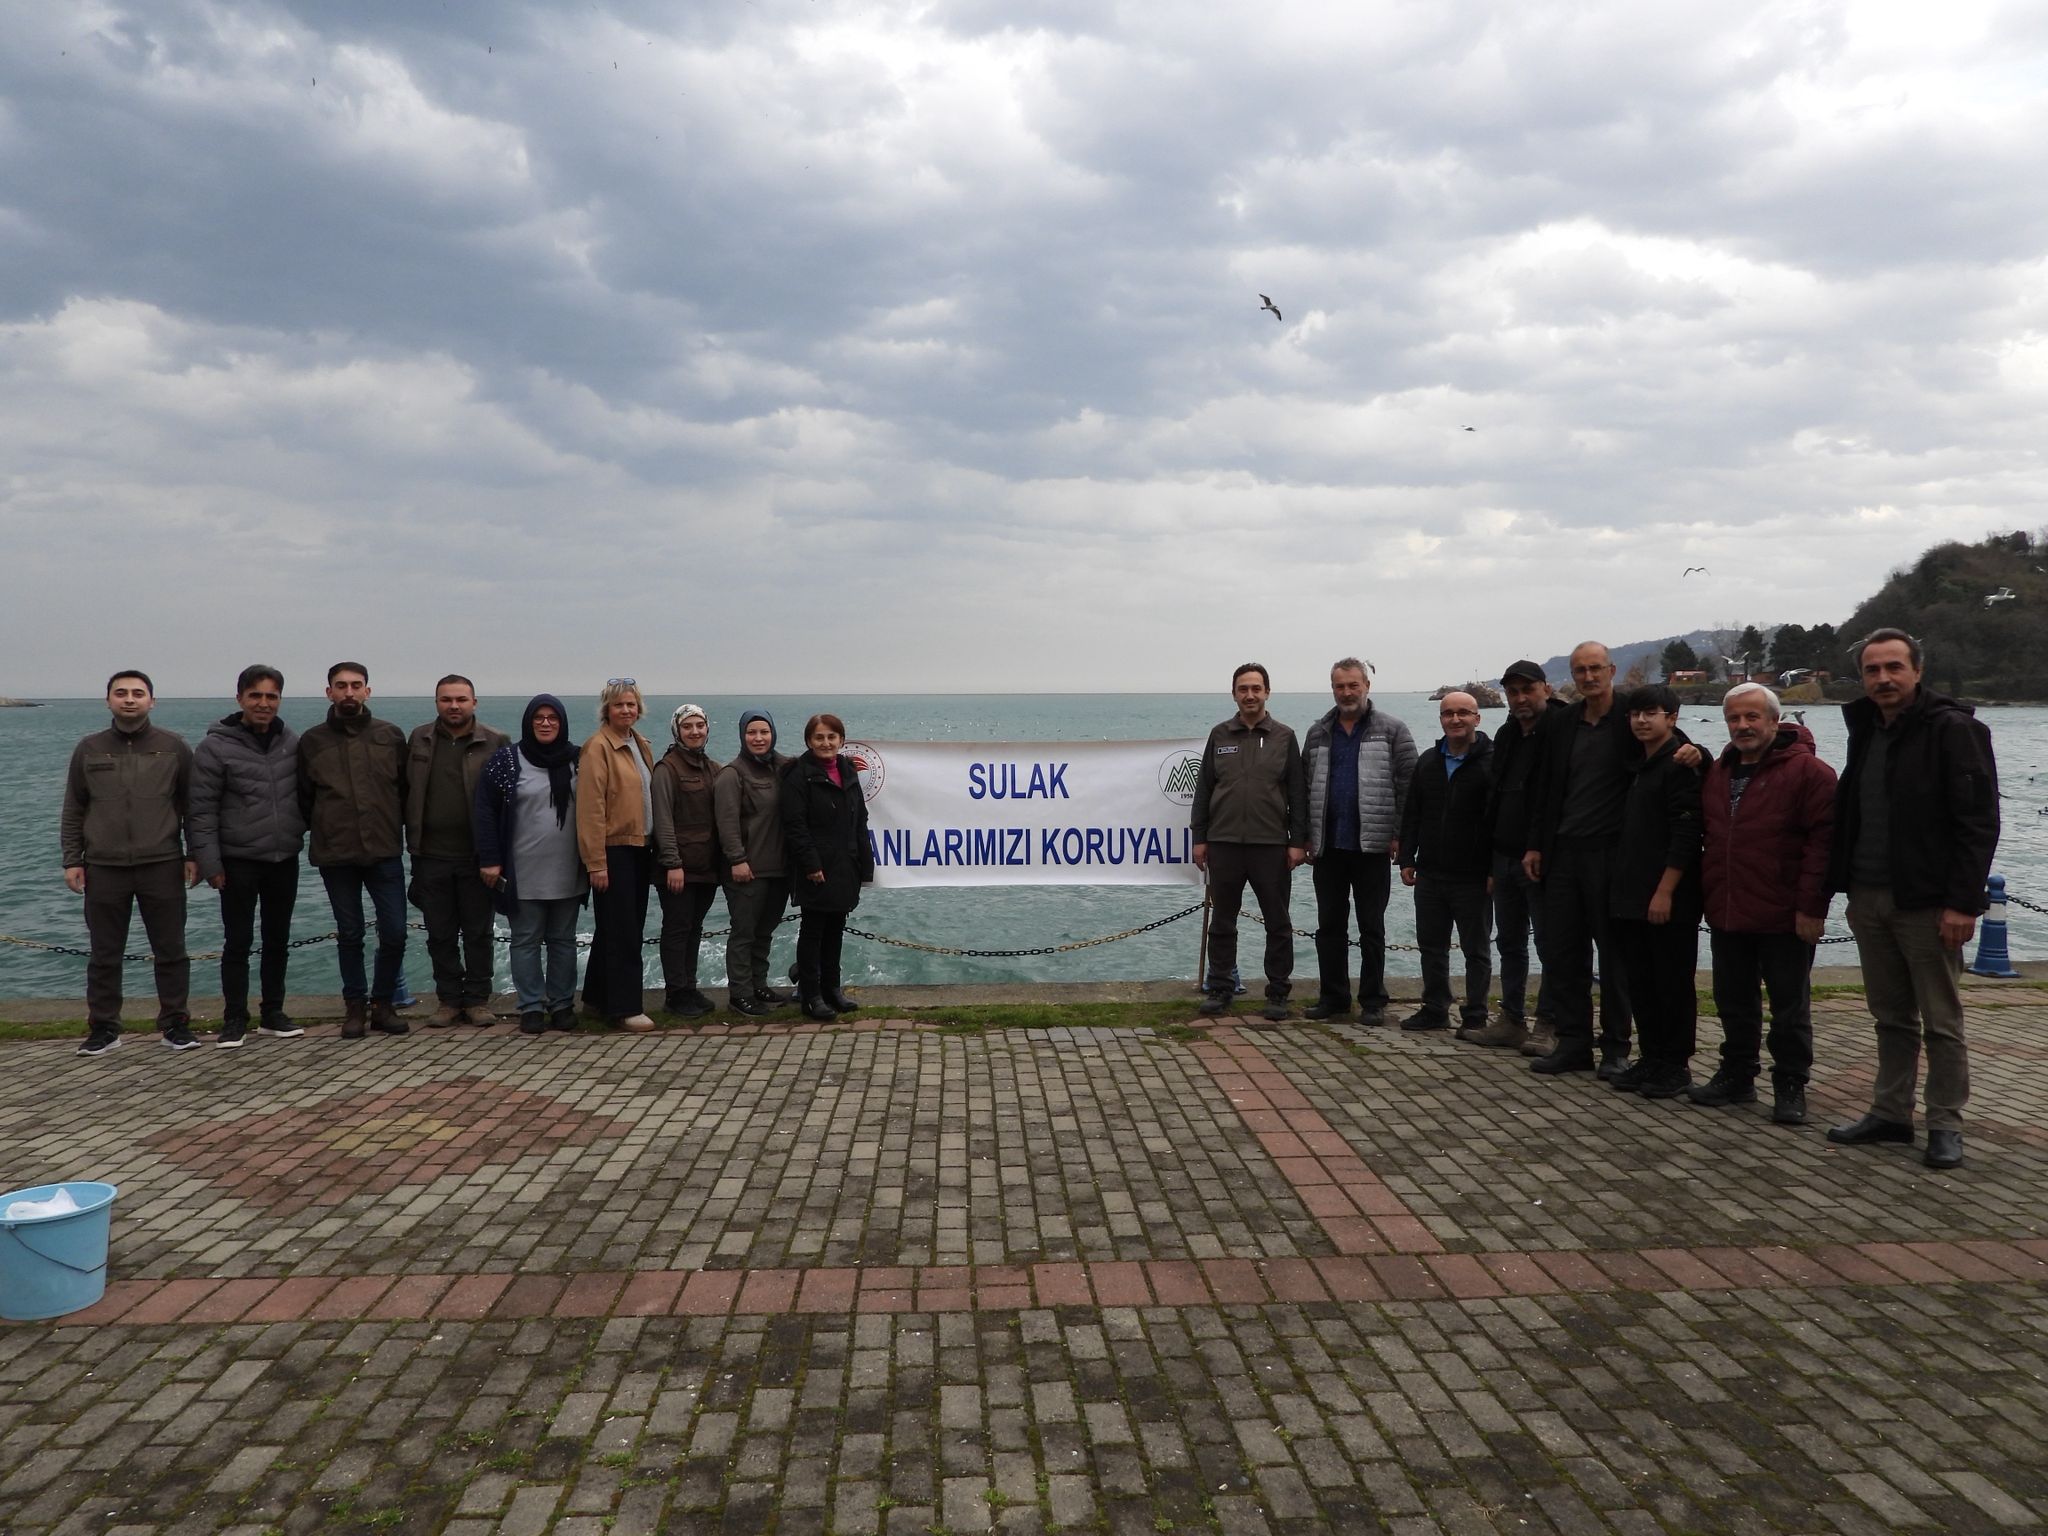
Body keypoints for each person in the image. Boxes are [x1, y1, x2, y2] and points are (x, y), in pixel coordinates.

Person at [1825, 629, 1999, 1170]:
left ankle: (1945, 1123)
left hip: (1927, 903)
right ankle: (1891, 1113)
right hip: (1869, 895)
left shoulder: (1955, 731)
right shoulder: (1866, 729)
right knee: (1890, 1016)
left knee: (1941, 1021)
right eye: (1873, 670)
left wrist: (1963, 903)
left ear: (1917, 671)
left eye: (1894, 667)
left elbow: (1977, 823)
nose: (1883, 678)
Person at [1692, 683, 1835, 1126]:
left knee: (1790, 1006)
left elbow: (1824, 845)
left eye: (1753, 717)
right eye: (1734, 718)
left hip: (1784, 911)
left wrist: (1812, 907)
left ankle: (1791, 1083)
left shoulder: (1811, 773)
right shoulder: (1718, 770)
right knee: (1733, 1000)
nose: (1743, 726)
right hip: (1728, 906)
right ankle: (1737, 1073)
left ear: (1775, 721)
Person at [60, 670, 197, 1056]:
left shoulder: (175, 747)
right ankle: (104, 1027)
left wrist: (193, 854)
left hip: (163, 863)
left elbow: (193, 807)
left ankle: (175, 1024)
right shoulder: (89, 749)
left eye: (138, 693)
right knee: (104, 953)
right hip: (103, 866)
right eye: (121, 693)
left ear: (152, 701)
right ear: (108, 701)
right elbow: (74, 808)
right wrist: (72, 859)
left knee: (171, 950)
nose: (130, 699)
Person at [1523, 642, 1635, 1077]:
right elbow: (1544, 787)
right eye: (1579, 671)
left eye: (1594, 669)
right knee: (1564, 954)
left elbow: (1670, 744)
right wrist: (1535, 844)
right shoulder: (1562, 722)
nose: (1588, 677)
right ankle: (1573, 1043)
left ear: (1610, 670)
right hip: (1563, 851)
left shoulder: (1630, 716)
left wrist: (1695, 753)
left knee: (1614, 957)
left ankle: (1615, 1048)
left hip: (1611, 852)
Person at [188, 664, 308, 1048]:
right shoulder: (215, 747)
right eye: (255, 695)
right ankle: (234, 1018)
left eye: (271, 696)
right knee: (237, 942)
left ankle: (273, 1012)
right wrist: (210, 863)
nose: (263, 703)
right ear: (239, 697)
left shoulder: (292, 741)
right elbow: (201, 809)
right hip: (236, 861)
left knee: (278, 940)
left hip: (282, 857)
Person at [298, 662, 411, 1041]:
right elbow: (303, 798)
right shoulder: (312, 742)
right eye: (341, 686)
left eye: (356, 685)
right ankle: (354, 1007)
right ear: (328, 692)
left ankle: (383, 1004)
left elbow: (405, 792)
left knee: (395, 932)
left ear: (368, 691)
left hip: (384, 850)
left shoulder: (391, 736)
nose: (349, 692)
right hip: (336, 854)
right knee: (350, 934)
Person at [1192, 664, 1310, 1021]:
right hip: (1224, 843)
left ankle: (1277, 993)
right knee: (1222, 922)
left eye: (1256, 688)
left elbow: (1298, 794)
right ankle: (1221, 988)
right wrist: (1200, 838)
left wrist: (1298, 842)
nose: (1250, 695)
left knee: (1278, 922)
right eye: (1243, 689)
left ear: (1267, 693)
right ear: (1234, 694)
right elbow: (1204, 790)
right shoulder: (1219, 734)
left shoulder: (1284, 736)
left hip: (1271, 845)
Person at [1301, 658, 1415, 1025]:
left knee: (1372, 927)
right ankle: (1333, 998)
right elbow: (1304, 790)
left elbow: (1408, 787)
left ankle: (1373, 1001)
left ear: (1367, 685)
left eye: (1353, 685)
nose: (1347, 692)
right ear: (1332, 688)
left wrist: (1400, 835)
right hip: (1329, 847)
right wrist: (1304, 837)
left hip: (1374, 847)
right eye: (1340, 686)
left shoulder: (1393, 730)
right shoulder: (1318, 732)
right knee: (1329, 927)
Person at [1605, 686, 1703, 1098]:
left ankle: (1675, 1065)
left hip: (1667, 897)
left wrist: (1666, 891)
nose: (1642, 721)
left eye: (1651, 713)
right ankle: (1652, 1057)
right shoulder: (1640, 764)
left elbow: (1686, 832)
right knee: (1641, 981)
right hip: (1631, 892)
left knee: (1672, 983)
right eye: (1635, 714)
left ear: (1672, 717)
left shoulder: (1680, 764)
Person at [474, 695, 587, 1035]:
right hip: (522, 871)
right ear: (528, 722)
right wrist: (491, 859)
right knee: (525, 940)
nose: (546, 723)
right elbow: (485, 811)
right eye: (539, 717)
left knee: (563, 941)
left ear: (563, 722)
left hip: (569, 869)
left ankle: (563, 1004)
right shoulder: (507, 760)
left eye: (553, 717)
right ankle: (532, 1007)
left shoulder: (579, 759)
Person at [405, 675, 509, 1027]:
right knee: (440, 933)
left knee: (479, 932)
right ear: (436, 702)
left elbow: (508, 803)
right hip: (430, 854)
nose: (454, 706)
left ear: (474, 703)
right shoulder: (419, 739)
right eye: (446, 699)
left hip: (477, 857)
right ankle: (448, 1000)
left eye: (461, 699)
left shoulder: (495, 741)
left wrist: (498, 856)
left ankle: (478, 999)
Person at [1397, 692, 1494, 1034]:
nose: (1455, 719)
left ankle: (1476, 1014)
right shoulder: (1428, 762)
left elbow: (1498, 821)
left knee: (1476, 950)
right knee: (1432, 947)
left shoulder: (1491, 763)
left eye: (1463, 713)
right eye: (1448, 713)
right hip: (1431, 873)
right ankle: (1435, 1007)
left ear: (1477, 718)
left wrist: (1494, 869)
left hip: (1473, 876)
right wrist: (1407, 857)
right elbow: (1413, 814)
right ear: (1441, 719)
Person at [1481, 661, 1564, 1052]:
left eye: (1527, 690)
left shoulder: (1564, 728)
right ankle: (1512, 1018)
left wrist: (1693, 751)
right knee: (1509, 942)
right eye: (1512, 692)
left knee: (1551, 944)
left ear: (1546, 689)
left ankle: (1551, 1022)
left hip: (1544, 857)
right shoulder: (1507, 733)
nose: (1519, 699)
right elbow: (1496, 797)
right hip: (1504, 854)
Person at [780, 713, 874, 1022]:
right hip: (816, 868)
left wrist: (864, 864)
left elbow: (859, 819)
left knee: (836, 931)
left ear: (841, 741)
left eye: (832, 737)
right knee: (813, 932)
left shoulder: (848, 771)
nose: (826, 743)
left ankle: (832, 989)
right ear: (809, 741)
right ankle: (811, 995)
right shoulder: (797, 775)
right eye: (819, 737)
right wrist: (811, 864)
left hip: (845, 864)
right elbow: (795, 826)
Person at [578, 679, 658, 1032]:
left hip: (640, 847)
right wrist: (596, 862)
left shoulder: (639, 744)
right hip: (614, 849)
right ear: (606, 710)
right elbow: (591, 808)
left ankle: (596, 999)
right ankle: (625, 1007)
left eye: (631, 704)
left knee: (615, 929)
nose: (626, 710)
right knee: (624, 932)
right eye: (619, 705)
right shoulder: (598, 748)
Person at [716, 709, 791, 1016]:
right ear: (742, 736)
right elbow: (726, 823)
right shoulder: (732, 774)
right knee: (744, 933)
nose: (758, 738)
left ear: (773, 733)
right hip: (747, 870)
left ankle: (759, 985)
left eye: (764, 732)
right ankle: (740, 994)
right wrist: (737, 859)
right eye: (751, 733)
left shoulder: (783, 768)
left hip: (779, 868)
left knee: (765, 931)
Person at [652, 703, 723, 1018]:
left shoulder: (713, 769)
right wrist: (672, 863)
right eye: (687, 726)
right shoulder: (667, 769)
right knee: (677, 928)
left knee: (695, 927)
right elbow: (663, 820)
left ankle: (690, 987)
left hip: (706, 866)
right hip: (677, 868)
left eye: (699, 725)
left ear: (707, 729)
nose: (694, 732)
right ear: (676, 731)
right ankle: (675, 994)